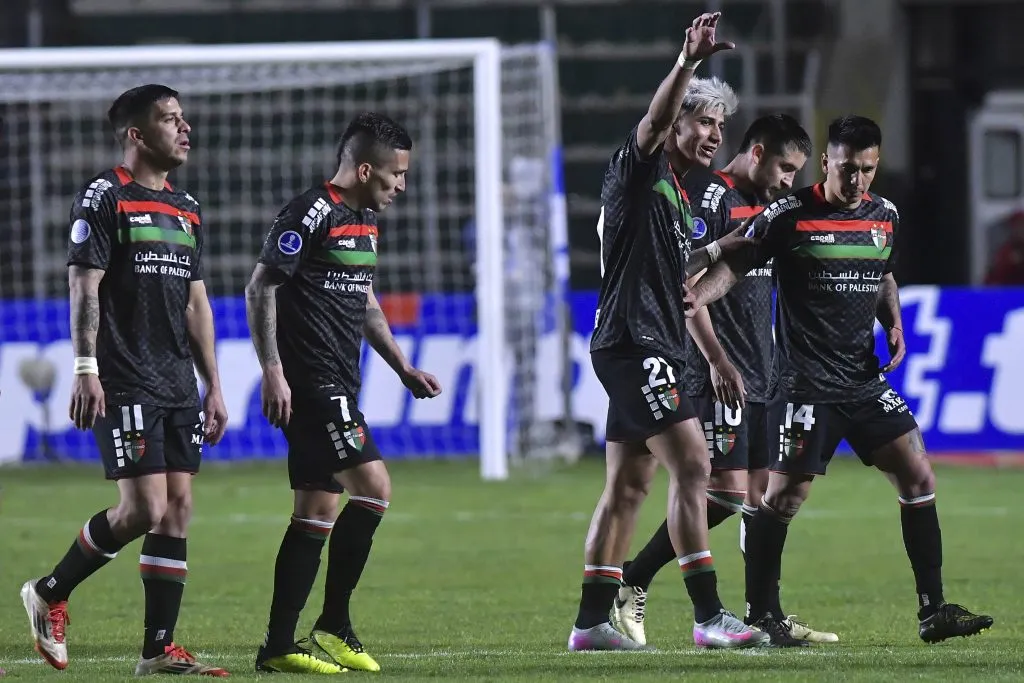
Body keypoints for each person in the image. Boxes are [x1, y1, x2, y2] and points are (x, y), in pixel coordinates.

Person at [685, 114, 994, 644]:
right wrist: (696, 295)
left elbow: (883, 273)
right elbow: (735, 267)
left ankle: (933, 610)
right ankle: (763, 616)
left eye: (867, 171)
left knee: (918, 479)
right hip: (806, 386)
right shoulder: (788, 213)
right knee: (780, 501)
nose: (856, 182)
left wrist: (892, 319)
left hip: (864, 380)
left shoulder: (884, 215)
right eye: (847, 169)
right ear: (827, 161)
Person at [569, 11, 768, 652]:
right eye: (701, 121)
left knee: (629, 485)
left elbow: (678, 276)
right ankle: (710, 617)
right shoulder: (640, 168)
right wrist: (687, 64)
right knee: (694, 464)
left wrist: (723, 247)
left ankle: (592, 622)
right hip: (634, 341)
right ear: (677, 120)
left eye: (718, 125)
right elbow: (652, 124)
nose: (712, 134)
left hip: (651, 341)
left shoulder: (684, 195)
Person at [19, 84, 229, 676]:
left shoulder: (186, 208)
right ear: (137, 134)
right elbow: (84, 285)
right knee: (143, 507)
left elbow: (196, 304)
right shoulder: (105, 197)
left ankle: (158, 651)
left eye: (184, 118)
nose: (183, 128)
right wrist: (86, 368)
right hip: (123, 376)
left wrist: (213, 383)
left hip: (176, 382)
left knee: (179, 508)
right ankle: (49, 592)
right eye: (169, 119)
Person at [612, 114, 839, 647]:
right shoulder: (711, 198)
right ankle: (639, 580)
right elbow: (686, 289)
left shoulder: (773, 208)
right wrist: (715, 360)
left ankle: (763, 616)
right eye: (785, 167)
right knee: (726, 492)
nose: (789, 180)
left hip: (763, 374)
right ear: (756, 152)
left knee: (757, 499)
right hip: (718, 373)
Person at [246, 112, 442, 674]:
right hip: (311, 382)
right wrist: (272, 370)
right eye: (395, 176)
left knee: (315, 509)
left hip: (338, 380)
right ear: (363, 169)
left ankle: (279, 644)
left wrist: (402, 366)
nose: (401, 186)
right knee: (374, 488)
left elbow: (365, 303)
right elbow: (260, 286)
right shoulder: (313, 212)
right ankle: (333, 624)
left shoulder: (363, 222)